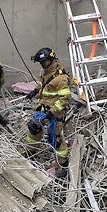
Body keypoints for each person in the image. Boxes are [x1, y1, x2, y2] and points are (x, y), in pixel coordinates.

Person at [25, 47, 71, 177]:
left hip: (55, 113)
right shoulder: (47, 72)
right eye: (41, 63)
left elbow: (65, 99)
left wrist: (52, 111)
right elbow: (42, 83)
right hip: (43, 108)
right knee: (34, 128)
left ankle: (62, 163)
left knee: (55, 139)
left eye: (45, 62)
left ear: (52, 60)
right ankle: (30, 151)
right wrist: (35, 91)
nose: (43, 65)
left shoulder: (61, 78)